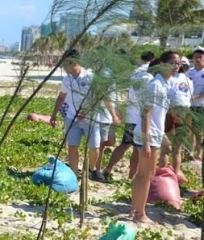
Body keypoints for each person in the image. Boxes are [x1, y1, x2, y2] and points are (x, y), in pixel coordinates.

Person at [50, 49, 116, 182]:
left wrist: (113, 115)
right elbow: (61, 97)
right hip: (72, 117)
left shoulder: (90, 77)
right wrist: (54, 115)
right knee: (72, 146)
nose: (64, 67)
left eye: (65, 64)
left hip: (91, 118)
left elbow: (101, 97)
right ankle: (74, 175)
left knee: (94, 147)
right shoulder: (67, 79)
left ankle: (91, 169)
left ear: (74, 63)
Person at [131, 52, 175, 223]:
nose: (176, 66)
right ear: (162, 64)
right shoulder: (155, 85)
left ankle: (135, 209)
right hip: (149, 134)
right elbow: (145, 114)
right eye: (172, 62)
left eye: (178, 63)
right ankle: (140, 214)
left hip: (153, 133)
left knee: (142, 174)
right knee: (146, 175)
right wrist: (147, 141)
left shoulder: (163, 84)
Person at [103, 51, 155, 179]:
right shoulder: (151, 75)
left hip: (131, 115)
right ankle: (132, 176)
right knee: (138, 149)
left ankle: (108, 168)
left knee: (125, 144)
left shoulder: (135, 72)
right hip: (141, 118)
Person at [159, 53, 193, 182]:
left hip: (171, 113)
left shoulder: (170, 80)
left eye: (178, 64)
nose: (176, 66)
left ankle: (164, 177)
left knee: (166, 149)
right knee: (176, 150)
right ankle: (174, 177)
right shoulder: (189, 81)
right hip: (183, 113)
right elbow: (189, 98)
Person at [189, 46, 204, 160]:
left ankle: (199, 153)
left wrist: (196, 97)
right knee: (190, 130)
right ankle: (190, 151)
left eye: (200, 57)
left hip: (201, 105)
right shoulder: (190, 72)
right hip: (190, 105)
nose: (198, 59)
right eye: (195, 57)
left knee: (199, 131)